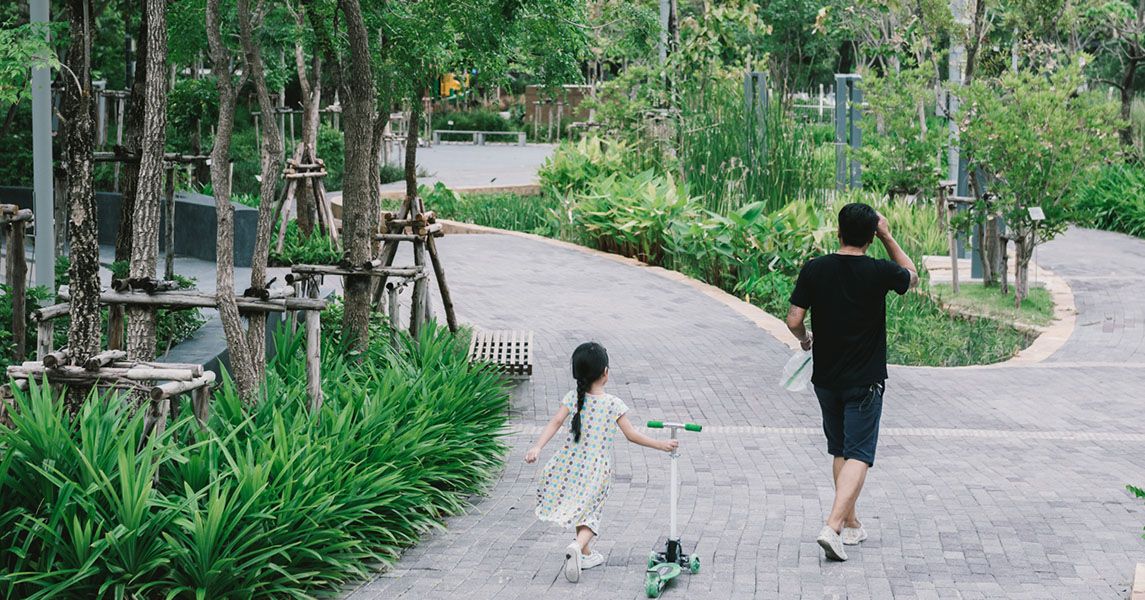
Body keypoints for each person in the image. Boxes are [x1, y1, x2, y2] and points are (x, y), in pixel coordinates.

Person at [785, 203, 919, 562]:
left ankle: (853, 523)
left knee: (841, 450)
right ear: (871, 235)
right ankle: (832, 525)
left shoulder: (816, 268)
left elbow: (794, 318)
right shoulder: (879, 270)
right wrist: (888, 235)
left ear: (839, 231)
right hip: (865, 380)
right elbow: (912, 274)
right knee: (860, 453)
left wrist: (803, 339)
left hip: (826, 378)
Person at [525, 342, 678, 583]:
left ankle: (584, 555)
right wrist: (661, 445)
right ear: (605, 373)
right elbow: (632, 435)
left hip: (570, 465)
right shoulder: (612, 404)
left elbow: (555, 422)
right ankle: (577, 546)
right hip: (596, 469)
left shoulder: (572, 398)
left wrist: (537, 446)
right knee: (591, 514)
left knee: (581, 509)